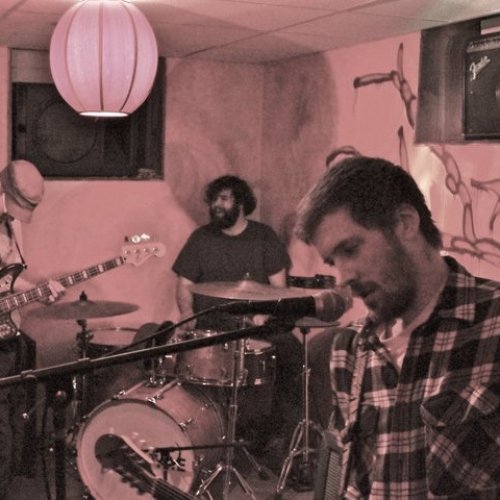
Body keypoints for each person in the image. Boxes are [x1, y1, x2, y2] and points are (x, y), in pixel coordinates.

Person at [294, 155, 500, 498]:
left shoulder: (493, 322)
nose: (342, 277)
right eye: (333, 261)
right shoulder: (348, 349)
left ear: (405, 223)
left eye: (351, 249)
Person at [173, 175, 302, 454]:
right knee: (164, 343)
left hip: (255, 325)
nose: (216, 205)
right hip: (210, 324)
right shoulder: (200, 238)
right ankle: (193, 429)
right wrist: (187, 313)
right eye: (214, 200)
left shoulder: (264, 237)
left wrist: (264, 315)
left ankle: (276, 436)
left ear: (241, 203)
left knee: (292, 352)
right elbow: (184, 285)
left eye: (224, 199)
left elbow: (279, 288)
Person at [0, 159, 64, 497]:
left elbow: (8, 278)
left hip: (8, 337)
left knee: (12, 423)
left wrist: (40, 291)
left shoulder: (12, 224)